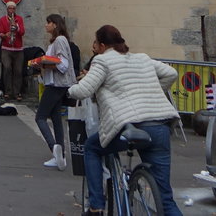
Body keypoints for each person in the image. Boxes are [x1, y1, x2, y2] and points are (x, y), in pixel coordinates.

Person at [68, 25, 182, 216]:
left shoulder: (102, 61)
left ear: (102, 45)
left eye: (96, 43)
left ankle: (96, 205)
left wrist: (69, 90)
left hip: (128, 125)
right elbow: (172, 74)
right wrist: (152, 93)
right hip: (159, 125)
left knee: (92, 148)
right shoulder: (142, 58)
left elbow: (83, 90)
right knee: (165, 197)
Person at [34, 14, 76, 170]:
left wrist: (44, 64)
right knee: (56, 118)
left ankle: (55, 149)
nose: (46, 25)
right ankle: (61, 156)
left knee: (40, 117)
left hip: (56, 85)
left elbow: (63, 64)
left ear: (55, 25)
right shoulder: (58, 40)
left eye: (48, 23)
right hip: (56, 84)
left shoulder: (59, 40)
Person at [0, 2, 26, 100]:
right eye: (10, 9)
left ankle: (17, 92)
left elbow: (22, 32)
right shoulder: (2, 20)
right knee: (7, 69)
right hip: (6, 48)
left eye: (13, 9)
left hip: (18, 48)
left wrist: (17, 27)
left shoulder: (19, 19)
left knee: (18, 70)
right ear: (7, 9)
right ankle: (8, 92)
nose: (12, 10)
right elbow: (0, 33)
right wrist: (6, 35)